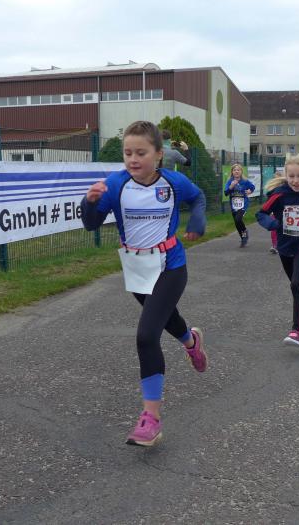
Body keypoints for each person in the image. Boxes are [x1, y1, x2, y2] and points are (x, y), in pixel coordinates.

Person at [81, 120, 207, 446]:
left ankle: (151, 419)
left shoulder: (173, 182)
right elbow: (91, 224)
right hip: (137, 269)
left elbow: (199, 198)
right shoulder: (116, 184)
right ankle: (191, 341)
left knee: (147, 334)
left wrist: (197, 220)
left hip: (171, 266)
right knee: (167, 319)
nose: (133, 159)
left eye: (141, 153)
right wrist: (89, 203)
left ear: (159, 154)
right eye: (128, 153)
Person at [256, 153, 299, 347]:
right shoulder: (279, 194)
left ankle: (297, 332)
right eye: (291, 176)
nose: (296, 181)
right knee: (295, 281)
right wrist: (272, 224)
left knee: (296, 285)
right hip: (285, 246)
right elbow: (261, 213)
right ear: (286, 175)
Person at [224, 163, 255, 246]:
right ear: (232, 172)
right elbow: (226, 193)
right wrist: (231, 186)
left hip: (243, 205)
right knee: (237, 223)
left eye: (238, 170)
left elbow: (252, 187)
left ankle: (244, 233)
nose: (236, 171)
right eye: (234, 170)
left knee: (238, 219)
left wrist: (250, 191)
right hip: (234, 206)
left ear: (241, 172)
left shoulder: (245, 181)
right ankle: (243, 238)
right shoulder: (230, 181)